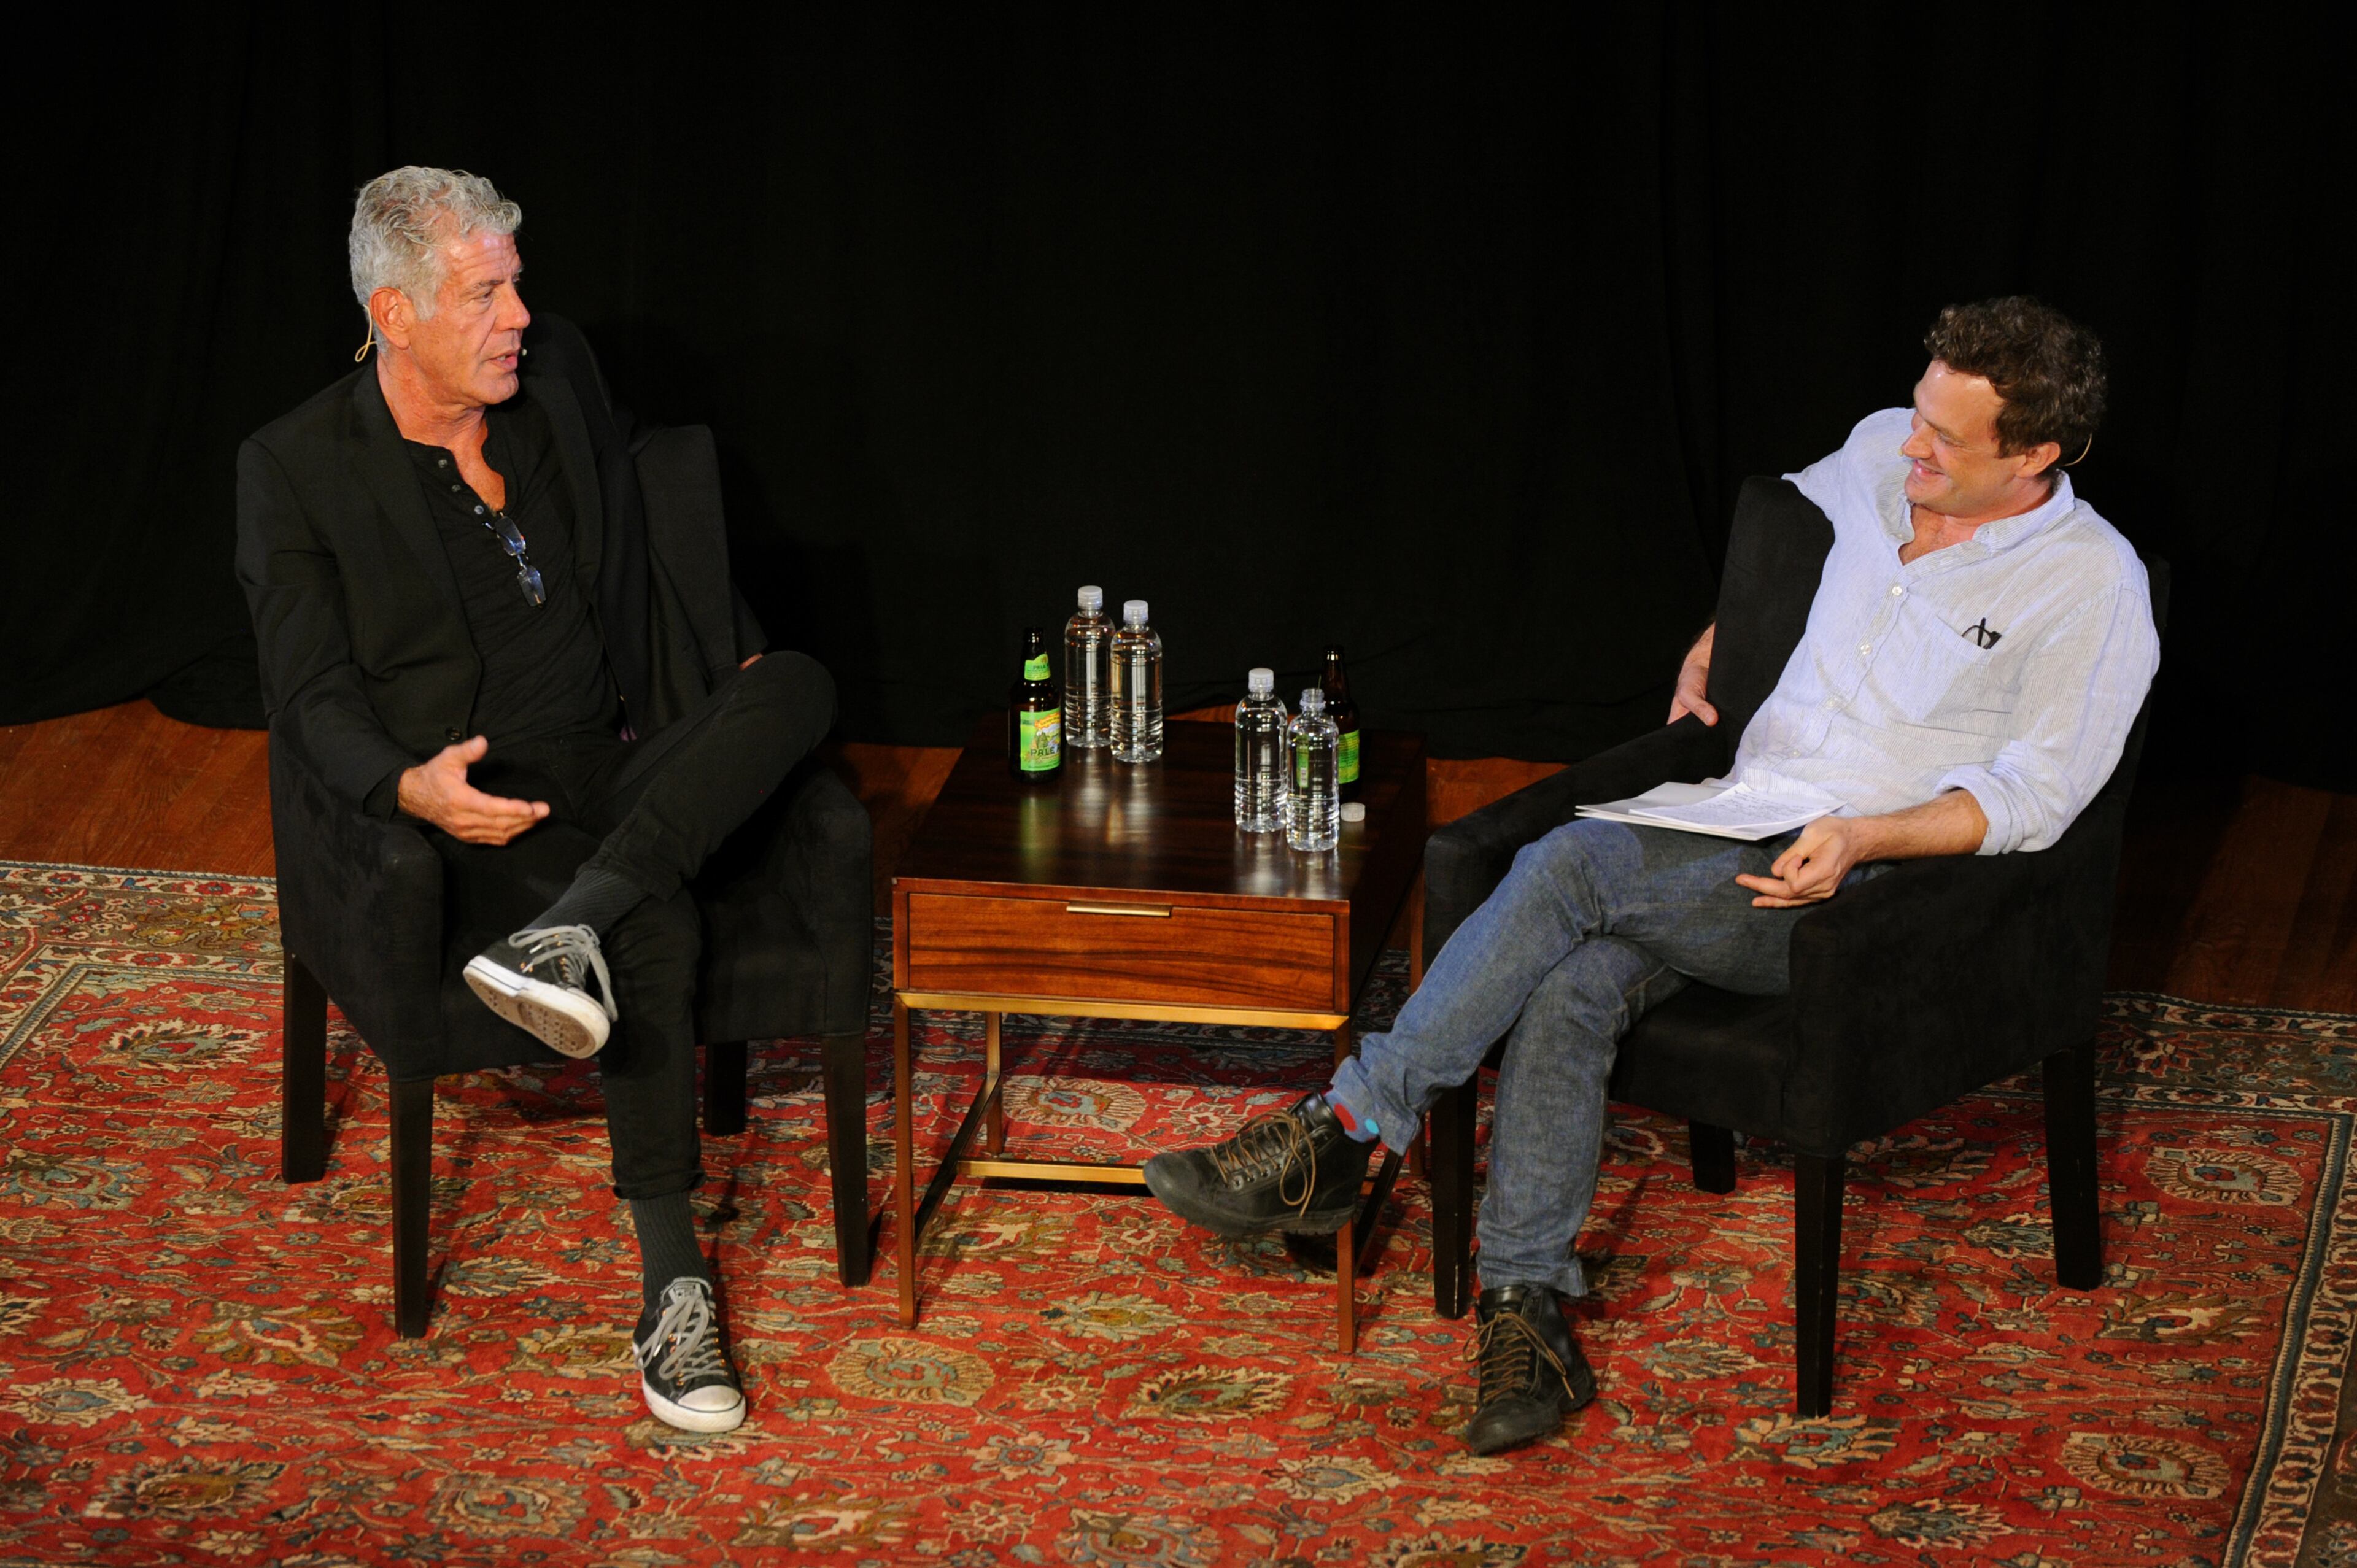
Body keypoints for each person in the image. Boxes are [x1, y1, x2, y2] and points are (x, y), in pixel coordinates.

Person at [1142, 296, 2159, 1454]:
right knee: (1572, 987)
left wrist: (1867, 840)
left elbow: (2041, 796)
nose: (1911, 446)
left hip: (1851, 895)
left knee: (1571, 863)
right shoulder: (1888, 448)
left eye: (1945, 440)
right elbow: (1783, 535)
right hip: (1730, 816)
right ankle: (1526, 1313)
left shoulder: (2092, 588)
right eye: (1919, 415)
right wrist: (1714, 636)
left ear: (2034, 455)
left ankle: (1350, 1125)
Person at [237, 166, 838, 1434]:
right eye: (484, 293)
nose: (518, 314)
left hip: (623, 750)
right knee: (654, 926)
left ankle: (576, 917)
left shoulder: (552, 372)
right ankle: (674, 1290)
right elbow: (308, 691)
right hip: (486, 790)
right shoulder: (296, 468)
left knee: (795, 683)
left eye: (516, 282)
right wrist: (410, 788)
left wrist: (713, 656)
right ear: (395, 315)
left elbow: (654, 517)